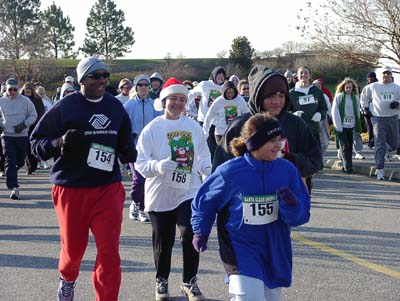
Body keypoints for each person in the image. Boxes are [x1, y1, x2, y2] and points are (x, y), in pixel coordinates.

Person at [30, 57, 136, 301]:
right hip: (71, 188)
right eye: (95, 76)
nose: (102, 80)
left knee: (109, 252)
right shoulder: (65, 107)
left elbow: (124, 136)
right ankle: (67, 279)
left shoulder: (114, 106)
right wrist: (59, 143)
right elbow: (36, 143)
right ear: (81, 80)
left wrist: (128, 150)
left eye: (105, 75)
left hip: (107, 187)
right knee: (74, 249)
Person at [191, 113, 310, 301]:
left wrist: (291, 206)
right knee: (249, 297)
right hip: (240, 248)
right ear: (255, 143)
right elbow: (205, 201)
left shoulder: (287, 170)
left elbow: (301, 217)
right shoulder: (230, 171)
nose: (278, 146)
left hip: (275, 248)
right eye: (272, 141)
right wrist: (200, 231)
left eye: (280, 140)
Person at [135, 78, 211, 301]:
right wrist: (157, 166)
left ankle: (189, 282)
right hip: (160, 192)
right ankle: (162, 281)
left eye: (181, 99)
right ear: (164, 100)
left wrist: (208, 170)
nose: (177, 103)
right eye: (173, 99)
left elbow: (204, 155)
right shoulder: (152, 129)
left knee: (190, 233)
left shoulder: (192, 127)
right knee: (163, 240)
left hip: (188, 190)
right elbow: (140, 162)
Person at [213, 66, 322, 192]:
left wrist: (290, 161)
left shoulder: (296, 124)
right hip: (245, 203)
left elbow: (315, 160)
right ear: (258, 97)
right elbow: (219, 172)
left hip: (288, 202)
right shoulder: (239, 126)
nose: (277, 101)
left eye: (281, 95)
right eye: (270, 96)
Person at [123, 74, 162, 222]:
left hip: (152, 149)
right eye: (141, 85)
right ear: (136, 87)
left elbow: (161, 123)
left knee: (148, 179)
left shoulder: (155, 104)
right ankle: (135, 203)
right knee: (138, 179)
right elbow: (123, 127)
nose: (144, 87)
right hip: (134, 149)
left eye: (146, 85)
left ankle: (143, 208)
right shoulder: (128, 105)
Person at [288, 66, 327, 192]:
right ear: (297, 76)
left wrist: (320, 115)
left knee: (310, 160)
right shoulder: (292, 93)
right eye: (301, 73)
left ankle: (307, 187)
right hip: (297, 132)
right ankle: (295, 184)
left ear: (310, 75)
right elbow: (285, 111)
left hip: (313, 130)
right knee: (297, 159)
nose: (304, 75)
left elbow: (323, 108)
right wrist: (293, 115)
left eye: (306, 73)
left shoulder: (316, 91)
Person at [360, 66, 400, 180]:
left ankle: (387, 150)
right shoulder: (373, 86)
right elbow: (364, 97)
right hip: (378, 118)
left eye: (388, 74)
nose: (386, 75)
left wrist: (397, 103)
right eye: (384, 73)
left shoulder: (396, 87)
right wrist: (365, 109)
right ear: (380, 75)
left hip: (393, 118)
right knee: (379, 144)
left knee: (395, 144)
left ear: (391, 75)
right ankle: (380, 170)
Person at [0, 78, 37, 199]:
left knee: (20, 161)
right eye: (10, 89)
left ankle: (11, 172)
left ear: (18, 89)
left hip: (21, 136)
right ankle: (14, 187)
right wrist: (1, 126)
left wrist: (23, 125)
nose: (12, 92)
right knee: (10, 160)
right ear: (6, 89)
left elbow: (33, 115)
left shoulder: (25, 101)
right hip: (7, 136)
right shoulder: (1, 101)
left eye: (15, 89)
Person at [192, 66, 227, 158]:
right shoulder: (205, 85)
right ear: (214, 76)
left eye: (223, 75)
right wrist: (185, 106)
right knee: (206, 145)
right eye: (219, 75)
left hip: (219, 122)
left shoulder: (225, 87)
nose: (221, 77)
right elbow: (191, 94)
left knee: (217, 147)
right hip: (204, 120)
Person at [202, 81, 249, 145]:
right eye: (228, 93)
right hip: (221, 133)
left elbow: (247, 114)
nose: (230, 95)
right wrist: (205, 132)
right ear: (224, 92)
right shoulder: (218, 101)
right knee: (223, 153)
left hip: (236, 133)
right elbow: (209, 117)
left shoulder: (240, 100)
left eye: (232, 93)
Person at [331, 78, 362, 174]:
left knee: (350, 146)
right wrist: (338, 125)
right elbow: (334, 111)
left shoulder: (355, 97)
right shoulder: (339, 97)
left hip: (351, 125)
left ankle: (349, 164)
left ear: (353, 88)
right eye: (347, 87)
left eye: (350, 87)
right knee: (345, 146)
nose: (348, 89)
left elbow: (357, 111)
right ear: (343, 87)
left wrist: (356, 123)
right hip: (341, 125)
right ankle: (347, 166)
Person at [21, 82, 45, 175]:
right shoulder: (20, 99)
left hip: (34, 125)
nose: (27, 93)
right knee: (27, 147)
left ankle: (34, 165)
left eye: (29, 92)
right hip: (24, 125)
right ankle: (30, 166)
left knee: (33, 145)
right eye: (26, 92)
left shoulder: (37, 99)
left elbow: (41, 112)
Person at [312, 79, 332, 158]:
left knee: (325, 142)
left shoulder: (324, 96)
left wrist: (330, 118)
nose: (317, 88)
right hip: (312, 121)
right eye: (315, 86)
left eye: (319, 86)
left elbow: (328, 108)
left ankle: (320, 156)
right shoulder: (310, 96)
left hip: (323, 120)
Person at [362, 71, 378, 149]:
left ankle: (375, 142)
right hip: (368, 111)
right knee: (370, 127)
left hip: (377, 111)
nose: (370, 80)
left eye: (371, 78)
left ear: (375, 78)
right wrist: (365, 109)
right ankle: (371, 142)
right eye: (368, 79)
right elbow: (363, 99)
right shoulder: (366, 88)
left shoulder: (379, 86)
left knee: (377, 128)